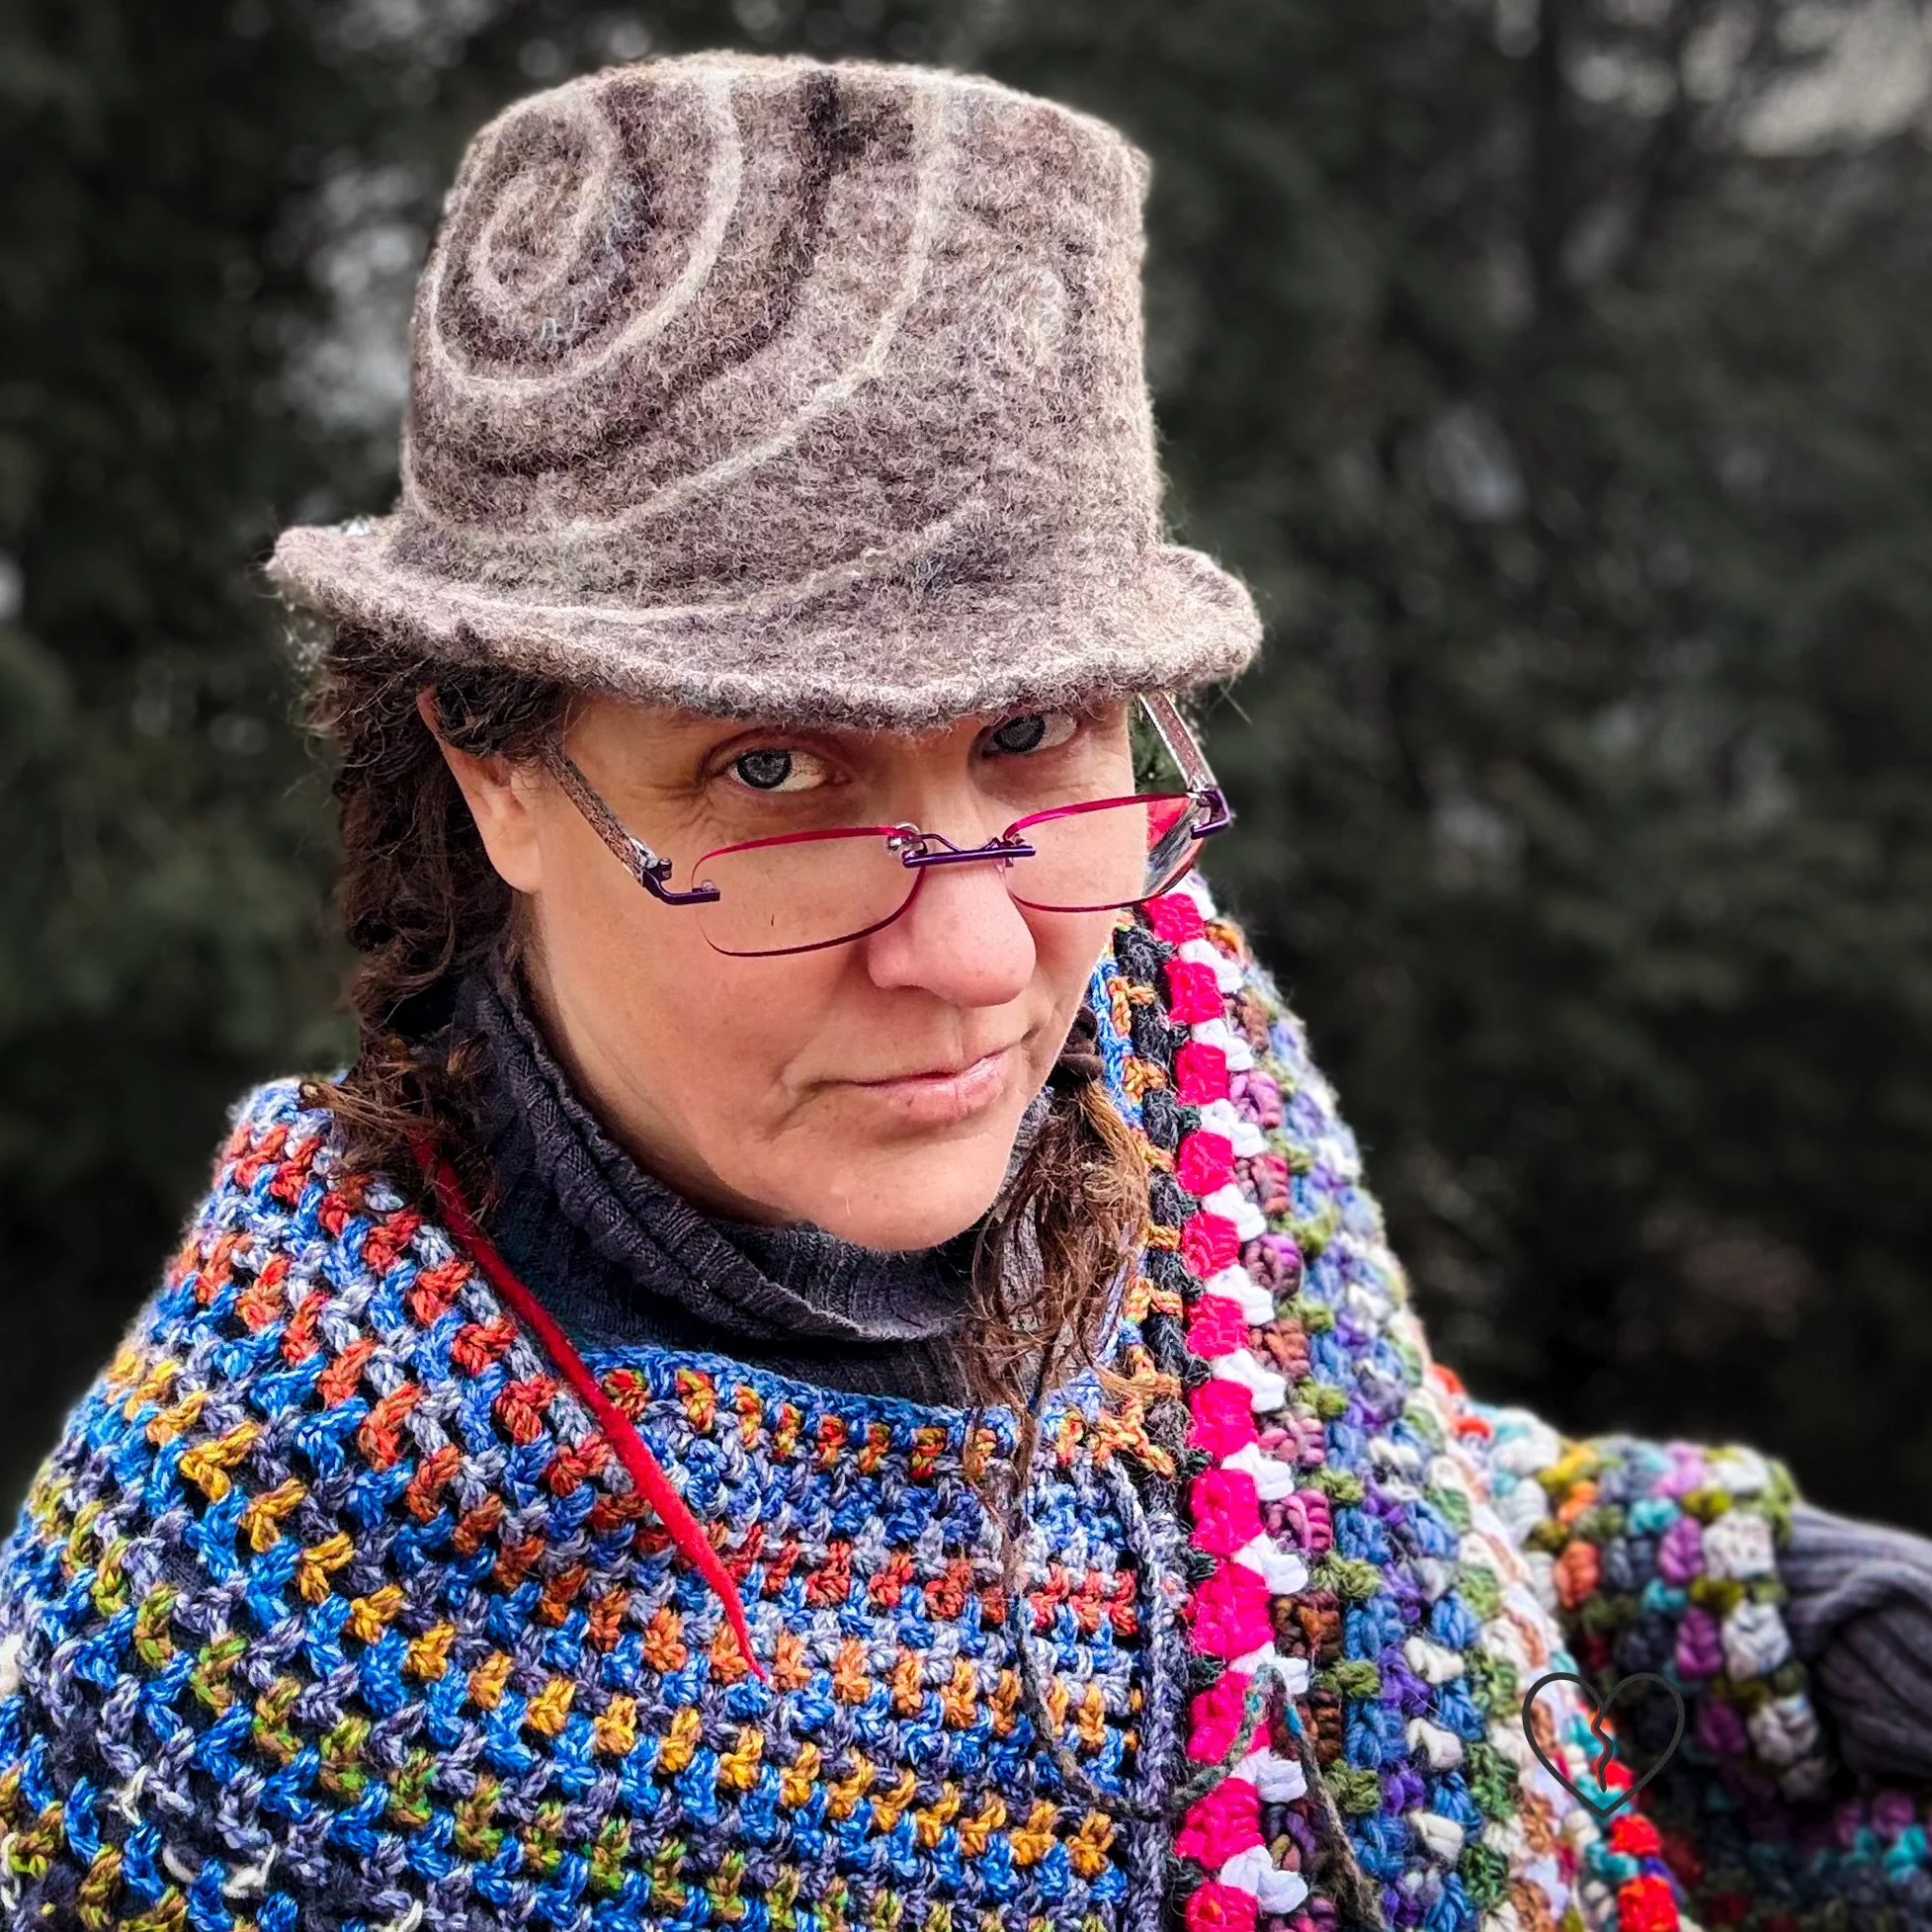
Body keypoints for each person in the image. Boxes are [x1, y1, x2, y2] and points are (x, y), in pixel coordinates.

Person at [0, 48, 1927, 1932]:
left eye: (1030, 737)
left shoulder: (1198, 1132)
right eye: (772, 771)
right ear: (496, 772)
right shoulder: (231, 1603)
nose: (977, 951)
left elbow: (1372, 1534)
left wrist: (1756, 1606)